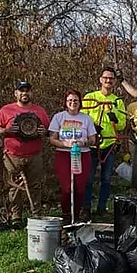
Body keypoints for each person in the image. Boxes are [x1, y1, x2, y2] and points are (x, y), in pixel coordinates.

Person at [0, 81, 50, 227]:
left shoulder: (40, 111)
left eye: (27, 91)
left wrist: (44, 132)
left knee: (35, 185)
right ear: (16, 93)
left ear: (31, 93)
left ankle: (35, 214)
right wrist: (7, 131)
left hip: (35, 154)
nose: (24, 93)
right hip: (13, 155)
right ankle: (16, 217)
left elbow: (50, 131)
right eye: (21, 91)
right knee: (14, 186)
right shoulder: (6, 110)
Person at [82, 67, 127, 220]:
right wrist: (91, 127)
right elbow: (82, 118)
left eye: (111, 78)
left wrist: (115, 120)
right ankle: (86, 208)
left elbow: (122, 124)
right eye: (106, 78)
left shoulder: (117, 101)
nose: (108, 81)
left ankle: (102, 207)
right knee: (88, 178)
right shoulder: (90, 97)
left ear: (114, 81)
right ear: (101, 79)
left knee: (106, 178)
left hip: (110, 145)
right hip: (92, 144)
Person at [49, 90, 97, 222]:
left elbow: (93, 139)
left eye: (75, 100)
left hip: (82, 154)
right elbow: (52, 139)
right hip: (64, 155)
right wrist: (65, 143)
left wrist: (84, 142)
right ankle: (66, 213)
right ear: (66, 102)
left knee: (80, 187)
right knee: (66, 187)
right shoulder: (59, 117)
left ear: (80, 102)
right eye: (70, 100)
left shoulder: (86, 118)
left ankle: (76, 215)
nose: (73, 103)